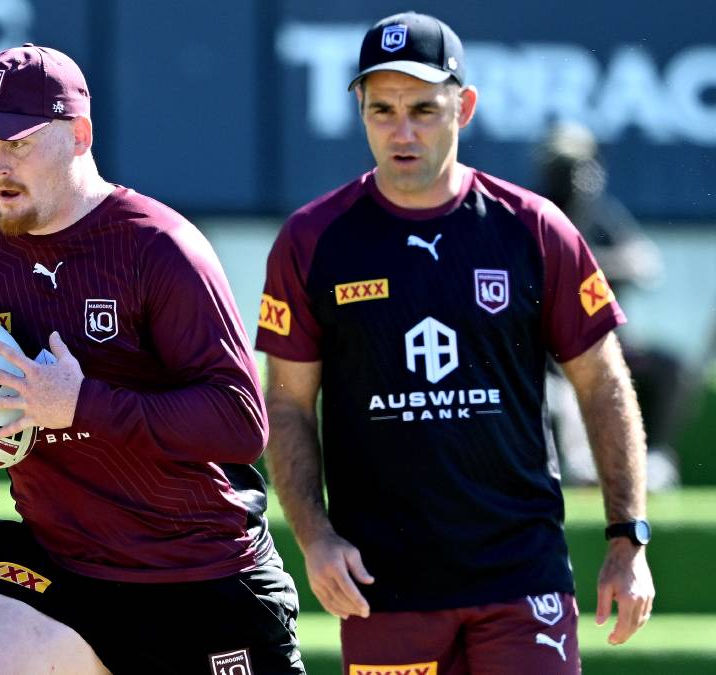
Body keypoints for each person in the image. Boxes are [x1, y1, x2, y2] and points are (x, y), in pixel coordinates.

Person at [0, 44, 304, 675]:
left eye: (17, 142)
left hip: (198, 574)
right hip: (60, 564)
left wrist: (79, 404)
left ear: (79, 135)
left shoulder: (159, 247)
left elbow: (241, 424)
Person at [256, 13, 654, 674]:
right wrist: (315, 537)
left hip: (521, 577)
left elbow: (602, 380)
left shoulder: (533, 228)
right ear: (359, 108)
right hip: (384, 587)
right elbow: (289, 403)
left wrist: (627, 536)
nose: (402, 130)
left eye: (423, 108)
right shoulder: (312, 241)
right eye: (382, 109)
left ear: (463, 107)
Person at [535, 122, 684, 490]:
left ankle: (652, 458)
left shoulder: (600, 215)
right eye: (563, 168)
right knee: (565, 392)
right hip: (547, 354)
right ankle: (581, 469)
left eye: (579, 167)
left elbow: (645, 264)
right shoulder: (535, 211)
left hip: (606, 342)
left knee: (666, 367)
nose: (572, 177)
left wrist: (593, 265)